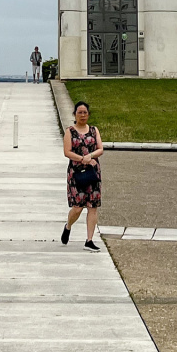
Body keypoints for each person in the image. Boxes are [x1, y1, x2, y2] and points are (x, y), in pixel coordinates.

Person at [61, 100, 103, 250]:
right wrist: (83, 159)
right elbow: (67, 152)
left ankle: (89, 240)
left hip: (92, 171)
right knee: (78, 207)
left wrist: (90, 156)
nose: (83, 115)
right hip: (76, 172)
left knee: (92, 206)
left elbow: (100, 149)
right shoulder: (70, 131)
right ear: (75, 114)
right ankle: (68, 226)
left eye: (85, 112)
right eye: (80, 112)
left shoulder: (93, 130)